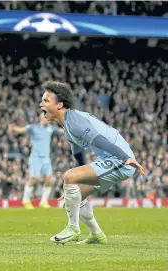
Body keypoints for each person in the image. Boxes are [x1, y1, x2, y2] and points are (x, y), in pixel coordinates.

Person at [39, 81, 145, 245]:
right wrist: (71, 188)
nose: (41, 104)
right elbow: (79, 158)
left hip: (119, 159)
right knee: (75, 197)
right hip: (109, 159)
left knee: (69, 176)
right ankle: (97, 235)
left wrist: (126, 158)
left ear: (60, 105)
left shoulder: (75, 123)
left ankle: (73, 228)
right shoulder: (68, 126)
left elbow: (100, 141)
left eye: (46, 101)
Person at [9, 113, 60, 209]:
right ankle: (26, 200)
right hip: (36, 158)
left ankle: (44, 202)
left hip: (46, 158)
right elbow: (22, 129)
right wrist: (14, 128)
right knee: (34, 179)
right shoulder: (34, 128)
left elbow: (61, 131)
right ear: (41, 118)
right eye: (46, 118)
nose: (48, 119)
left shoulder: (51, 129)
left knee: (50, 179)